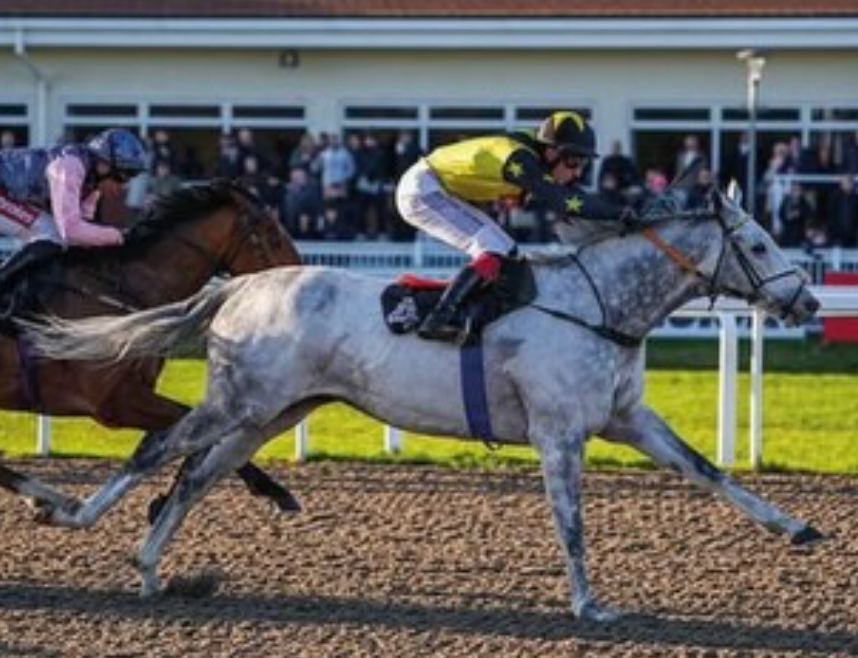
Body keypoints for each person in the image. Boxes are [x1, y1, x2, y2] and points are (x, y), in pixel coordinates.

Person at [395, 111, 634, 341]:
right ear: (551, 152)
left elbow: (567, 195)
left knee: (507, 251)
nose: (578, 171)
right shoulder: (519, 159)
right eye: (574, 161)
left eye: (583, 164)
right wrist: (620, 213)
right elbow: (564, 200)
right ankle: (440, 319)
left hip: (435, 187)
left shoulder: (535, 153)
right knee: (496, 248)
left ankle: (472, 318)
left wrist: (617, 214)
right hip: (423, 188)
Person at [0, 128, 145, 295]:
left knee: (55, 234)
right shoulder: (70, 167)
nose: (123, 182)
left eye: (130, 175)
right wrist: (119, 236)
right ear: (105, 162)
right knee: (51, 232)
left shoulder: (92, 183)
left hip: (7, 191)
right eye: (123, 174)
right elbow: (70, 230)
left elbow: (84, 231)